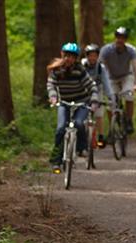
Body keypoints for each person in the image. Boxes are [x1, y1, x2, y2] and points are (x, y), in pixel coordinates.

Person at [47, 42, 99, 173]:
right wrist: (53, 98)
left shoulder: (80, 70)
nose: (68, 59)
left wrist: (94, 99)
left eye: (71, 56)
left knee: (79, 123)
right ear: (62, 55)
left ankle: (82, 148)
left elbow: (91, 85)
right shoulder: (56, 70)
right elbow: (51, 85)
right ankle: (56, 161)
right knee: (60, 129)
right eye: (66, 55)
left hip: (81, 102)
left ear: (76, 58)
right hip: (64, 103)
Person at [99, 26, 136, 134]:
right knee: (110, 101)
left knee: (129, 95)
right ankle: (111, 128)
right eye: (118, 37)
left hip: (126, 76)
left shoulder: (131, 50)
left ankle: (129, 120)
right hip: (111, 77)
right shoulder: (106, 50)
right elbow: (100, 66)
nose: (120, 40)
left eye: (122, 38)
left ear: (126, 40)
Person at [81, 43, 116, 147]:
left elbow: (106, 83)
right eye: (90, 55)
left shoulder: (101, 67)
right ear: (86, 56)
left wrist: (110, 97)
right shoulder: (82, 66)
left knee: (99, 114)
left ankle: (100, 136)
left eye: (94, 55)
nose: (92, 58)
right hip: (84, 90)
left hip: (98, 89)